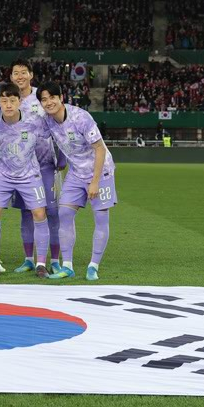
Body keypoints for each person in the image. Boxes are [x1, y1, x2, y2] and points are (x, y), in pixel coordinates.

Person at [39, 81, 118, 281]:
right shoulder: (47, 120)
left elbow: (99, 149)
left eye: (52, 98)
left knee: (100, 218)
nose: (49, 103)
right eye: (44, 100)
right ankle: (67, 266)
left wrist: (95, 182)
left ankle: (93, 266)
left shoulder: (81, 118)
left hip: (101, 172)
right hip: (76, 173)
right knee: (64, 213)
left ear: (61, 98)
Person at [0, 83, 51, 278]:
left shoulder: (35, 120)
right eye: (4, 101)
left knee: (39, 213)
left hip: (30, 174)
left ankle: (41, 264)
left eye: (12, 100)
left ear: (20, 102)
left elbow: (54, 132)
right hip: (2, 174)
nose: (9, 105)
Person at [10, 58, 65, 274]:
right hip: (21, 166)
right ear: (11, 77)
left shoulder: (42, 97)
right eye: (16, 73)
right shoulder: (9, 99)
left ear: (31, 74)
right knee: (26, 213)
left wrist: (62, 158)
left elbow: (57, 125)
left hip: (45, 164)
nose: (20, 76)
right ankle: (28, 259)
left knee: (51, 212)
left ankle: (54, 259)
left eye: (24, 72)